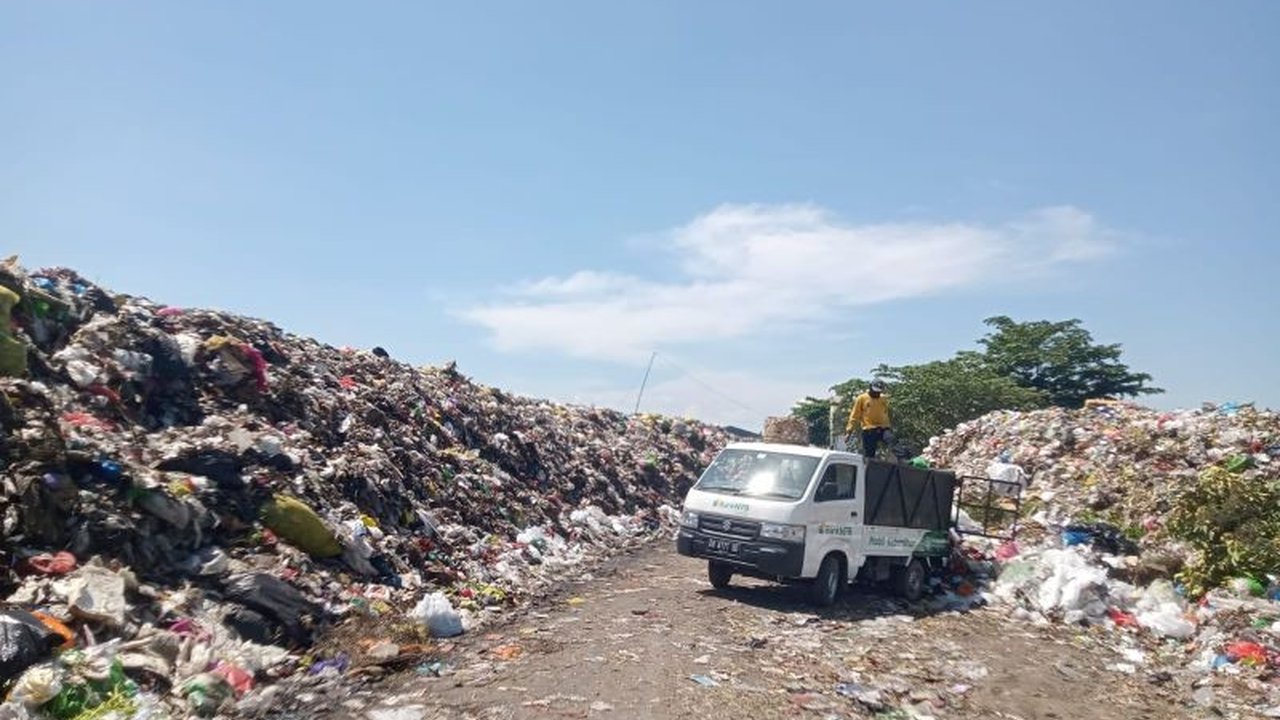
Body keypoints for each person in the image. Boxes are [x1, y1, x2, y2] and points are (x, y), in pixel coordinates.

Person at [845, 380, 891, 459]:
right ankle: (869, 467)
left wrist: (888, 425)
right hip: (869, 429)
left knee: (892, 441)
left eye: (879, 392)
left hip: (883, 428)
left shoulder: (883, 398)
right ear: (870, 388)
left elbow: (886, 412)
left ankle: (902, 463)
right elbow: (854, 416)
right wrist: (849, 432)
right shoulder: (862, 398)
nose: (877, 394)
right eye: (875, 391)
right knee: (869, 454)